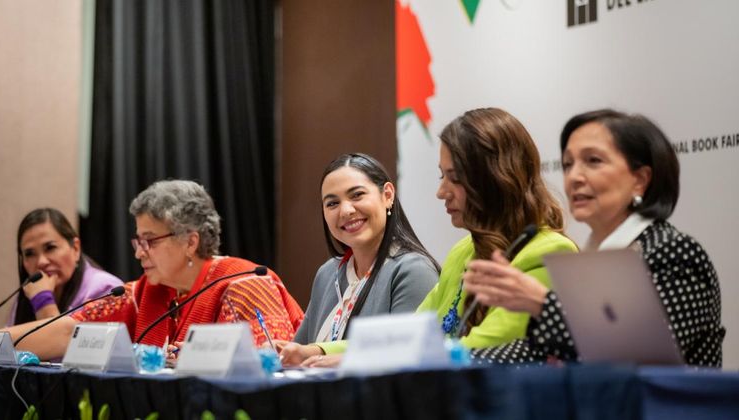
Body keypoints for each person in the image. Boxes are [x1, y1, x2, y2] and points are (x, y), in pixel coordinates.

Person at [299, 108, 578, 367]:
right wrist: (321, 350)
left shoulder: (550, 254)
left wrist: (363, 358)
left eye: (454, 178)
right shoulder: (463, 251)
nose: (441, 191)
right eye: (441, 176)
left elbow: (482, 351)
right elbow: (411, 333)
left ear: (495, 178)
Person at [465, 109, 725, 367]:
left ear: (640, 180)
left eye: (593, 161)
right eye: (568, 164)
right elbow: (541, 352)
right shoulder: (590, 261)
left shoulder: (675, 253)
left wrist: (542, 304)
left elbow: (637, 355)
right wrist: (456, 361)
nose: (574, 177)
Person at [0, 180, 303, 363]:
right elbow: (67, 330)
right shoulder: (145, 291)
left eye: (150, 240)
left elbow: (273, 364)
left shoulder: (245, 283)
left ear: (190, 242)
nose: (139, 252)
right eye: (137, 240)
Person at [276, 153, 440, 366]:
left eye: (357, 195)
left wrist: (346, 362)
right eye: (332, 203)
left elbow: (407, 359)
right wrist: (278, 354)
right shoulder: (328, 273)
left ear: (387, 195)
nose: (346, 210)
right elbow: (299, 353)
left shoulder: (413, 271)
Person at [10, 208, 123, 325]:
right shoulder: (29, 295)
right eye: (29, 254)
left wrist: (43, 301)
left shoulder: (106, 289)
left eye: (50, 248)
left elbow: (62, 342)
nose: (41, 262)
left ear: (75, 248)